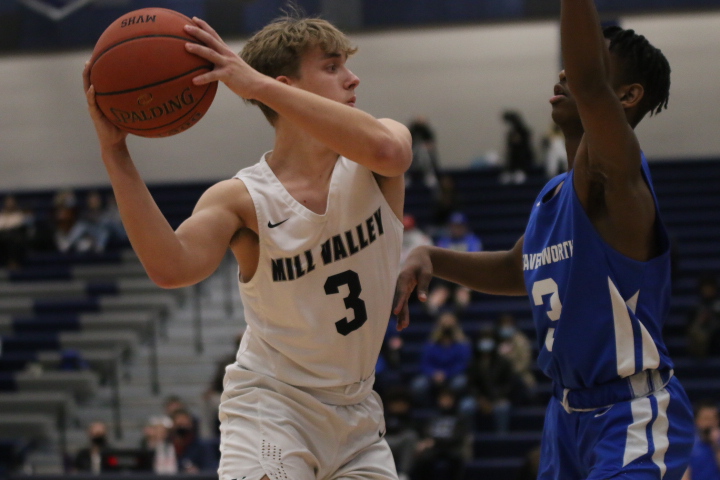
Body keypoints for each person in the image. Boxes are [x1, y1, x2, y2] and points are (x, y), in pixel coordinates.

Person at [84, 9, 411, 480]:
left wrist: (255, 84)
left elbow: (390, 152)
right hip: (273, 406)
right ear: (288, 85)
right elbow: (170, 268)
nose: (353, 78)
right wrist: (115, 154)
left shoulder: (379, 145)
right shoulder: (242, 198)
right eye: (333, 66)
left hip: (359, 412)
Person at [395, 2, 695, 478]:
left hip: (630, 412)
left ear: (628, 95)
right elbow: (520, 268)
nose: (564, 70)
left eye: (591, 59)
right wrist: (431, 255)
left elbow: (591, 87)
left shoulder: (619, 177)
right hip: (566, 418)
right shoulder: (554, 194)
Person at [411, 310, 472, 407]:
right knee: (418, 385)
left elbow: (463, 364)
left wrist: (446, 373)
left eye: (450, 323)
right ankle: (427, 407)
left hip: (453, 375)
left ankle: (452, 406)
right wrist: (433, 373)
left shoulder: (462, 344)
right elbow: (424, 363)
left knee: (460, 382)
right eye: (444, 323)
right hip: (433, 375)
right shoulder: (431, 344)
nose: (447, 326)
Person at [425, 212, 482, 314]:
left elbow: (474, 260)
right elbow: (439, 258)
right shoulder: (444, 240)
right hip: (447, 275)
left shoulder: (473, 240)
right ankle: (434, 310)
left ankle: (460, 310)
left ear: (465, 226)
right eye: (454, 225)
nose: (456, 228)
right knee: (440, 292)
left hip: (465, 276)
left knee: (463, 291)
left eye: (459, 226)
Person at [171, 409, 218, 473]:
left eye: (185, 424)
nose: (182, 427)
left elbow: (211, 469)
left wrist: (198, 472)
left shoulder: (202, 447)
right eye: (179, 424)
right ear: (173, 425)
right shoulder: (167, 447)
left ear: (191, 424)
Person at [682, 400, 720, 480]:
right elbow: (684, 475)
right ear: (697, 421)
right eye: (706, 419)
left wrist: (716, 445)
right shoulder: (688, 443)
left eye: (713, 419)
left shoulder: (717, 443)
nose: (710, 423)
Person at [687, 275, 720, 359]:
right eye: (706, 288)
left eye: (710, 288)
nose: (708, 290)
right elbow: (689, 327)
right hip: (702, 344)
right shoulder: (696, 307)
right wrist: (701, 320)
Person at [499, 110, 534, 185]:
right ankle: (510, 171)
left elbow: (525, 144)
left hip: (523, 157)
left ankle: (519, 171)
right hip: (513, 159)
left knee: (519, 153)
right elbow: (510, 147)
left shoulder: (524, 132)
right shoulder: (511, 133)